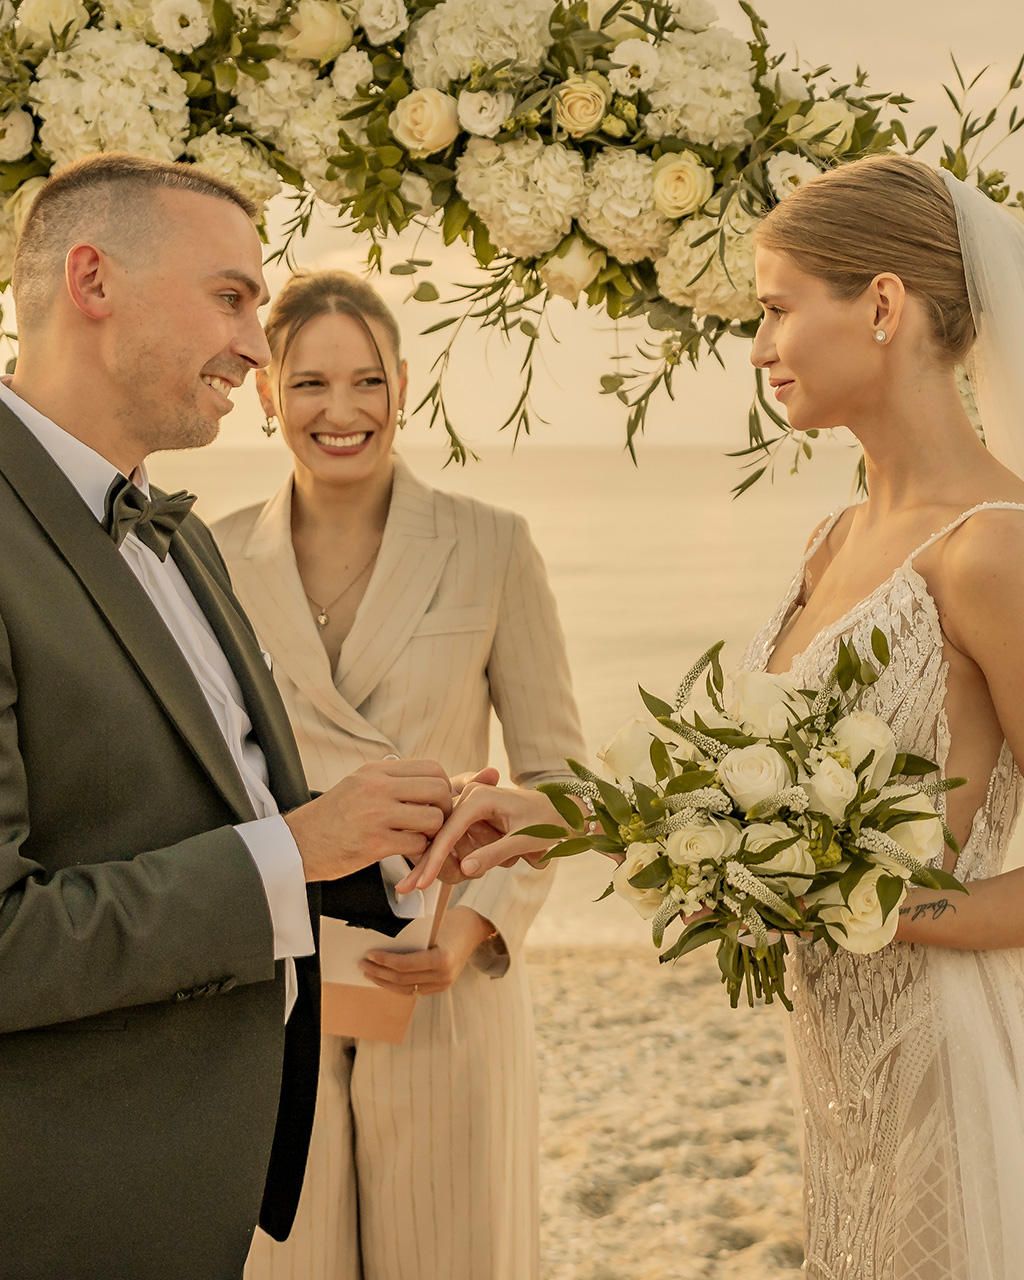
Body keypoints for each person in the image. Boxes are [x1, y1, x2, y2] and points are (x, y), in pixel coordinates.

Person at [414, 155, 1024, 1278]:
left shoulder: (994, 545)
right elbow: (762, 805)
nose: (755, 348)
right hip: (830, 1049)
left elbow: (827, 860)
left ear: (881, 305)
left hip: (941, 1048)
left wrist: (864, 900)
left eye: (776, 309)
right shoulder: (832, 539)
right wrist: (564, 815)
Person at [0, 154, 454, 1280]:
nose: (258, 345)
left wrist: (387, 849)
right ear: (92, 279)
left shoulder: (179, 532)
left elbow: (214, 813)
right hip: (58, 1204)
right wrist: (298, 845)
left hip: (201, 1188)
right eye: (231, 297)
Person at [211, 268, 585, 1280]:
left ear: (405, 385)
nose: (342, 410)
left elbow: (566, 783)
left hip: (442, 978)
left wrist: (471, 930)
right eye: (310, 384)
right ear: (265, 394)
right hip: (269, 987)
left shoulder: (491, 544)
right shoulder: (206, 556)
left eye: (367, 380)